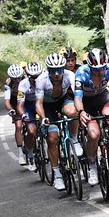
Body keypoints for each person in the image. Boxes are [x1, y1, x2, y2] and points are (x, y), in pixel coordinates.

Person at [73, 48, 109, 186]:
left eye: (102, 69)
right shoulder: (81, 73)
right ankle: (92, 166)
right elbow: (77, 98)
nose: (100, 72)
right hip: (86, 102)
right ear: (89, 67)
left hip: (102, 98)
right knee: (94, 135)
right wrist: (81, 112)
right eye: (96, 70)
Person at [35, 52, 81, 191]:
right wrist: (44, 119)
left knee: (73, 112)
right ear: (48, 70)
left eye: (59, 70)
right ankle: (57, 174)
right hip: (47, 106)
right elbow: (38, 103)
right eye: (53, 71)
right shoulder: (41, 79)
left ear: (63, 68)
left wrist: (82, 110)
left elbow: (78, 95)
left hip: (63, 100)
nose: (56, 74)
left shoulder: (70, 75)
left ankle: (73, 139)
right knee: (52, 138)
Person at [16, 61, 44, 172]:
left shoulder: (45, 80)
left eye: (37, 76)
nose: (36, 79)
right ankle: (30, 154)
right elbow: (20, 105)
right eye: (33, 77)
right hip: (28, 106)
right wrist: (23, 115)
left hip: (41, 103)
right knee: (31, 131)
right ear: (28, 76)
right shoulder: (23, 84)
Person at [4, 64, 27, 166]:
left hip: (27, 102)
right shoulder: (8, 85)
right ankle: (21, 153)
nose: (17, 80)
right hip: (15, 104)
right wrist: (10, 110)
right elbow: (7, 101)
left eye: (19, 78)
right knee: (18, 126)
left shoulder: (27, 79)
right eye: (15, 79)